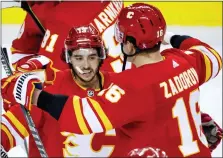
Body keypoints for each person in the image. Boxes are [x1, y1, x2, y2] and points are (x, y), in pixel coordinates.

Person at [2, 3, 222, 157]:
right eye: (78, 57)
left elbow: (83, 115)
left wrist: (34, 95)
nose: (85, 65)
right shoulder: (185, 62)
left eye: (92, 56)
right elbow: (212, 57)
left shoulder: (129, 86)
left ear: (120, 48)